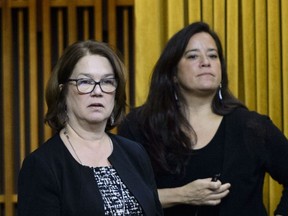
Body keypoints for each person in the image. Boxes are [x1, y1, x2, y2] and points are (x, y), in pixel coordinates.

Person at [118, 21, 288, 216]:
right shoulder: (139, 126)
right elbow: (120, 199)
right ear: (173, 73)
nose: (205, 62)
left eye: (213, 56)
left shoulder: (251, 127)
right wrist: (181, 195)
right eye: (193, 56)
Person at [18, 40, 163, 216]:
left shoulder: (135, 153)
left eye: (107, 81)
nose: (97, 91)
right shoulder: (42, 165)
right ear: (63, 92)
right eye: (85, 81)